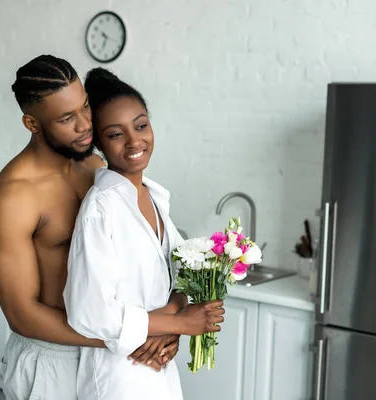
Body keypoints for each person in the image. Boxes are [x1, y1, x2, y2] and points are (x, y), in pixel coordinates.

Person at [0, 55, 221, 400]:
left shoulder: (96, 167)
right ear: (32, 124)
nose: (85, 126)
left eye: (85, 108)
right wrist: (145, 331)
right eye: (67, 118)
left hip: (115, 356)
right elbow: (22, 314)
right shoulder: (13, 196)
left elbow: (154, 261)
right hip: (54, 360)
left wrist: (165, 326)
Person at [63, 68, 226, 400]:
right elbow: (88, 314)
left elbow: (179, 277)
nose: (135, 141)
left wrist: (172, 324)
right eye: (115, 134)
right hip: (117, 377)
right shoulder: (101, 209)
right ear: (98, 143)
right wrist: (180, 324)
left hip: (159, 367)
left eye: (140, 125)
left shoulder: (154, 198)